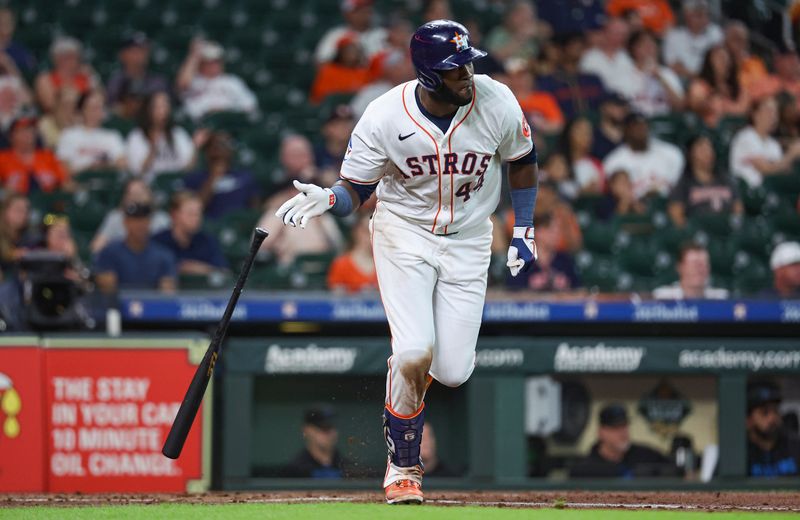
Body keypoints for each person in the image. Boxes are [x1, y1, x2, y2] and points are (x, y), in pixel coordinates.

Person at [273, 20, 539, 504]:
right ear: (430, 75)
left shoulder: (495, 99)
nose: (468, 73)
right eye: (456, 68)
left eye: (468, 63)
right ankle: (403, 465)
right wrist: (330, 201)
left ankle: (407, 381)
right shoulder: (383, 115)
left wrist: (523, 228)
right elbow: (356, 188)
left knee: (454, 370)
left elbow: (523, 159)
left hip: (470, 240)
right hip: (404, 235)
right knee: (415, 349)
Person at [93, 202, 177, 293]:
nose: (139, 225)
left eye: (143, 220)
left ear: (149, 222)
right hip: (118, 305)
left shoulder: (163, 254)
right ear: (125, 222)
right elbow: (108, 291)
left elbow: (167, 293)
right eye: (134, 220)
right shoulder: (110, 252)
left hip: (152, 305)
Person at [569, 403, 672, 478]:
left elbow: (675, 470)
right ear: (601, 432)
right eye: (616, 428)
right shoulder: (587, 466)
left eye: (624, 426)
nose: (623, 433)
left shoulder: (646, 455)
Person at [602, 112, 684, 199]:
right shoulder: (614, 161)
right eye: (635, 127)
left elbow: (679, 188)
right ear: (626, 130)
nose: (640, 130)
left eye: (643, 126)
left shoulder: (671, 153)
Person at [668, 135, 742, 228]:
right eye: (702, 149)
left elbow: (738, 208)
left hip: (726, 231)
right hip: (699, 234)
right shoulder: (683, 183)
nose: (708, 152)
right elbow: (676, 215)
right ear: (690, 153)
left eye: (709, 148)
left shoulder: (725, 179)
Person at [125, 90, 201, 183]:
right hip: (150, 184)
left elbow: (187, 168)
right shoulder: (136, 136)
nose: (162, 111)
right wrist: (153, 148)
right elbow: (137, 172)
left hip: (176, 183)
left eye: (165, 106)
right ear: (148, 110)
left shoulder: (178, 133)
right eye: (158, 107)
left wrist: (195, 147)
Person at [182, 131, 260, 220]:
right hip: (210, 227)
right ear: (208, 151)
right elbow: (195, 209)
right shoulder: (195, 178)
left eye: (225, 145)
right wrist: (214, 177)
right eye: (217, 145)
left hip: (241, 225)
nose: (221, 149)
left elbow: (255, 210)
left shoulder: (245, 177)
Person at [175, 40, 257, 122]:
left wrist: (225, 111)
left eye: (217, 61)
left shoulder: (232, 81)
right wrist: (194, 56)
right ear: (201, 63)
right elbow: (182, 85)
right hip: (202, 124)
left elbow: (249, 106)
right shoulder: (194, 81)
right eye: (209, 62)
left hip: (230, 123)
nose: (214, 65)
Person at [730, 96, 800, 188]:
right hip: (749, 192)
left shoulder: (773, 144)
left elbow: (782, 170)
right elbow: (766, 169)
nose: (773, 116)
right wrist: (791, 154)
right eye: (769, 111)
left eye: (775, 112)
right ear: (755, 114)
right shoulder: (746, 137)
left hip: (771, 192)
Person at [152, 192, 227, 275]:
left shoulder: (208, 241)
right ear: (174, 215)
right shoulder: (158, 242)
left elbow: (223, 271)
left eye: (198, 213)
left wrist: (198, 268)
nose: (196, 218)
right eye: (190, 213)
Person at [90, 178, 171, 254]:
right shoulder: (115, 217)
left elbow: (169, 249)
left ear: (149, 195)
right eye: (132, 194)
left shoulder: (162, 219)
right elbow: (96, 247)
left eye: (140, 193)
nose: (136, 197)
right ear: (125, 198)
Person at [537, 33, 607, 120]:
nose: (577, 50)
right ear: (561, 50)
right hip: (562, 128)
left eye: (580, 47)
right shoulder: (548, 81)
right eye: (572, 46)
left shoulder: (593, 80)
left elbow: (604, 106)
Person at [506, 212, 581, 293]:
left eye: (558, 231)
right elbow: (509, 291)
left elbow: (579, 289)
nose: (557, 235)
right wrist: (529, 285)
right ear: (538, 232)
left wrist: (566, 286)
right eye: (551, 231)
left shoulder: (564, 260)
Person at [56, 90, 126, 175]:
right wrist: (89, 167)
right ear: (82, 110)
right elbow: (63, 167)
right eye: (91, 108)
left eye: (98, 108)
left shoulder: (112, 136)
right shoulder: (69, 134)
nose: (95, 112)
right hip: (81, 181)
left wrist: (104, 166)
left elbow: (122, 164)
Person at [0, 114, 70, 194]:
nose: (28, 134)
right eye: (22, 130)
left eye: (31, 130)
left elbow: (66, 183)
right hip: (15, 202)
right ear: (11, 136)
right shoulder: (2, 158)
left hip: (48, 202)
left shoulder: (48, 156)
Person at [625, 30, 685, 117]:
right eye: (644, 45)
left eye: (651, 44)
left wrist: (660, 77)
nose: (649, 48)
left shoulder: (667, 73)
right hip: (635, 122)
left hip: (663, 122)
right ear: (633, 49)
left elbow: (680, 106)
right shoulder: (626, 73)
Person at [747, 380, 800, 477]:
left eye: (775, 410)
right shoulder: (740, 452)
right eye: (765, 412)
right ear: (749, 420)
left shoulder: (794, 446)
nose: (773, 418)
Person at [687, 45, 749, 128]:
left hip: (732, 130)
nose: (724, 62)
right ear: (709, 61)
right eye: (719, 58)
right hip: (703, 128)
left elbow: (742, 110)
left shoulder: (739, 89)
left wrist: (722, 105)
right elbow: (695, 104)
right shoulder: (699, 85)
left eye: (726, 58)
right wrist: (715, 97)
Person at [34, 36, 97, 114]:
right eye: (68, 57)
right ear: (57, 59)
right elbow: (50, 105)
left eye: (76, 57)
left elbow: (99, 100)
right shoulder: (46, 79)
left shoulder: (84, 77)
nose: (74, 61)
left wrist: (93, 77)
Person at [578, 17, 637, 100]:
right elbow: (589, 86)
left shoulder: (628, 57)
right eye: (616, 34)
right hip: (601, 102)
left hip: (629, 102)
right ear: (605, 33)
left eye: (623, 34)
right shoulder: (589, 57)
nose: (620, 38)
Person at [281, 407, 348, 478]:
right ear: (306, 430)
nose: (327, 433)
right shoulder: (295, 470)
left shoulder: (348, 467)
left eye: (331, 427)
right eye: (321, 427)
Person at [662, 0, 723, 79]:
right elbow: (673, 65)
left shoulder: (715, 33)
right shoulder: (674, 36)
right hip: (684, 79)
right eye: (698, 15)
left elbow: (721, 61)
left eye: (705, 14)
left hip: (711, 78)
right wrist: (697, 77)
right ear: (687, 17)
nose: (703, 18)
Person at [105, 32, 168, 108]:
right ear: (123, 54)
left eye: (144, 50)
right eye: (135, 51)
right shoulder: (116, 82)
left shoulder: (158, 81)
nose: (140, 55)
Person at [314, 0, 387, 65]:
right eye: (358, 10)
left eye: (367, 7)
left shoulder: (384, 34)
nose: (364, 12)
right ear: (347, 14)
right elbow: (321, 63)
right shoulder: (336, 35)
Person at [504, 58, 564, 136]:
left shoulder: (544, 98)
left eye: (523, 75)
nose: (521, 80)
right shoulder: (505, 100)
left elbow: (558, 125)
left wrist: (541, 125)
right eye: (515, 76)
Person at [351, 50, 415, 119]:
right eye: (401, 65)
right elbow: (355, 115)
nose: (409, 68)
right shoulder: (372, 92)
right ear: (391, 69)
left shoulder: (416, 90)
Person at [310, 33, 371, 105]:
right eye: (348, 50)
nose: (352, 54)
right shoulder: (328, 70)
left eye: (355, 50)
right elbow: (319, 97)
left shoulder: (365, 72)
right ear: (340, 52)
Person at [653, 242, 729, 299]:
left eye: (703, 264)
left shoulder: (721, 298)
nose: (700, 269)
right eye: (694, 264)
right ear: (680, 267)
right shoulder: (662, 298)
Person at [327, 214, 378, 293]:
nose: (370, 236)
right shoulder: (342, 264)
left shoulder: (385, 264)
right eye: (366, 231)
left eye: (375, 232)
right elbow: (336, 298)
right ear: (356, 232)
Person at [561, 116, 605, 194]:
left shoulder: (596, 164)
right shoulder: (558, 162)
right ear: (569, 133)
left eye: (589, 132)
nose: (586, 135)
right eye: (581, 131)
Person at [315, 105, 356, 185]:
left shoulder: (358, 153)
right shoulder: (315, 154)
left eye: (347, 123)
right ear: (326, 128)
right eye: (338, 123)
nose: (344, 127)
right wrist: (318, 175)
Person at [0, 51, 32, 134]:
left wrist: (7, 64)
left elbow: (28, 101)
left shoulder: (13, 81)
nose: (8, 99)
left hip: (17, 128)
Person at [0, 193, 32, 273]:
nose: (23, 214)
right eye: (18, 209)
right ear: (5, 211)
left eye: (26, 211)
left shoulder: (31, 236)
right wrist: (12, 255)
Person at [592, 92, 629, 160]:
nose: (622, 108)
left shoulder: (631, 134)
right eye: (616, 104)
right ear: (603, 108)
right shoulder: (593, 136)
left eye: (623, 104)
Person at [606, 0, 675, 36]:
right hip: (632, 36)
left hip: (657, 38)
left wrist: (661, 33)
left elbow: (669, 22)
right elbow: (613, 19)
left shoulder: (658, 2)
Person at [0, 8, 35, 74]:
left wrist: (7, 64)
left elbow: (25, 81)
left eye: (8, 21)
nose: (4, 23)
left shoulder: (20, 52)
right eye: (1, 21)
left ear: (13, 24)